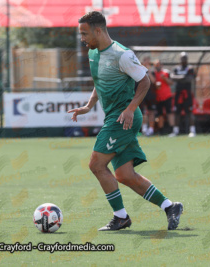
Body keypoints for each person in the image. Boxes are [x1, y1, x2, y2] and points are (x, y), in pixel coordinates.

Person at [68, 11, 183, 231]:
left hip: (123, 118)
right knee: (124, 175)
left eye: (84, 33)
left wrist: (131, 108)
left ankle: (120, 217)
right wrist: (88, 106)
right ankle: (170, 207)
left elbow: (145, 81)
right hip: (115, 117)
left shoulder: (122, 55)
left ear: (98, 30)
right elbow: (100, 81)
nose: (82, 38)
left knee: (96, 164)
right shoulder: (94, 53)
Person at [170, 52, 196, 137]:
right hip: (178, 94)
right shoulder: (176, 68)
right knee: (177, 112)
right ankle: (175, 131)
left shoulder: (190, 68)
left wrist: (179, 78)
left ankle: (192, 130)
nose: (183, 59)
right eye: (182, 58)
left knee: (189, 112)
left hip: (187, 94)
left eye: (185, 58)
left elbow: (190, 79)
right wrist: (183, 77)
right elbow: (173, 77)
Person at [153, 60, 176, 135]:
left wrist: (165, 79)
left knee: (169, 112)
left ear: (161, 65)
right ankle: (161, 130)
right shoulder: (153, 74)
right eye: (156, 65)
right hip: (158, 97)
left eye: (159, 64)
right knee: (160, 114)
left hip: (167, 96)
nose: (158, 66)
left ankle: (172, 130)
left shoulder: (166, 72)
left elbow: (172, 83)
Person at [139, 56, 157, 136]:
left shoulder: (152, 71)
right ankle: (144, 128)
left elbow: (154, 81)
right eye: (146, 61)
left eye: (149, 62)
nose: (147, 63)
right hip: (142, 93)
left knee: (151, 112)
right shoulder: (139, 70)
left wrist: (149, 71)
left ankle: (151, 129)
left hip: (150, 94)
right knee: (143, 112)